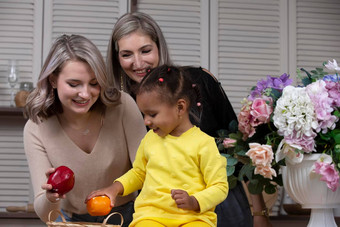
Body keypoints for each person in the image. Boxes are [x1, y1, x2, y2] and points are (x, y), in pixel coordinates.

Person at [106, 12, 272, 227]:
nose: (138, 63)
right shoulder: (119, 103)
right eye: (127, 54)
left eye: (145, 50)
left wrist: (260, 212)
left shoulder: (198, 82)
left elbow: (239, 148)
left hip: (220, 204)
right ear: (116, 58)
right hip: (159, 212)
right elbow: (135, 170)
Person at [23, 34, 146, 226]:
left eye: (94, 83)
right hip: (74, 222)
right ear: (53, 80)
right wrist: (51, 197)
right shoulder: (36, 128)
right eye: (74, 84)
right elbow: (46, 214)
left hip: (130, 216)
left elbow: (146, 172)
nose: (85, 94)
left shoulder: (123, 106)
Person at [86, 65, 229, 227]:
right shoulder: (150, 139)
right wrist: (114, 188)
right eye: (144, 114)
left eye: (152, 114)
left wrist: (194, 201)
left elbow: (220, 186)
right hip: (151, 217)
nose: (146, 121)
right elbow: (139, 174)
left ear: (180, 107)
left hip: (194, 218)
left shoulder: (204, 144)